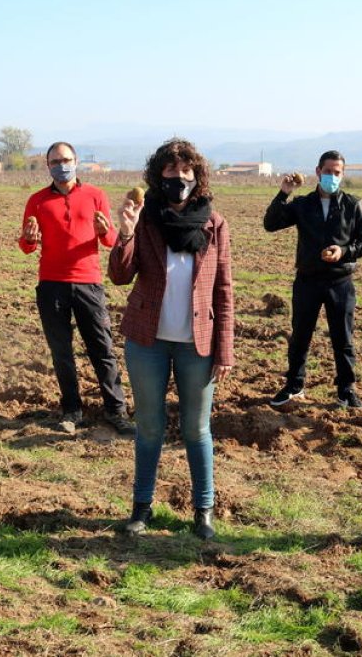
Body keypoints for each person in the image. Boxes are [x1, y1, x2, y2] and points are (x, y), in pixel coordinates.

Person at [108, 138, 234, 540]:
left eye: (185, 170)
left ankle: (204, 511)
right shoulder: (145, 219)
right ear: (157, 175)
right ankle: (141, 509)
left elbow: (224, 291)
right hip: (148, 341)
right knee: (149, 427)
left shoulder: (214, 224)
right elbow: (119, 276)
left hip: (198, 343)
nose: (177, 177)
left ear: (196, 177)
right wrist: (124, 235)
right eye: (169, 170)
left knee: (197, 430)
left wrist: (225, 350)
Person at [19, 142, 135, 434]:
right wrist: (30, 238)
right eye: (55, 161)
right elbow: (26, 247)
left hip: (88, 283)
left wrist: (103, 230)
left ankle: (116, 410)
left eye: (66, 159)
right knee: (62, 352)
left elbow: (109, 241)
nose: (61, 165)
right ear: (48, 166)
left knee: (102, 349)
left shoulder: (96, 195)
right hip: (51, 285)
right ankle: (71, 410)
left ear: (76, 161)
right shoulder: (37, 201)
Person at [264, 151, 362, 409]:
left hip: (341, 282)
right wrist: (284, 193)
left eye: (337, 173)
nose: (332, 177)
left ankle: (346, 390)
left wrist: (344, 252)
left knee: (343, 338)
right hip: (308, 280)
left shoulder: (353, 204)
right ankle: (294, 384)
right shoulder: (303, 204)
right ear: (318, 171)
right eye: (328, 172)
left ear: (343, 174)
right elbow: (271, 224)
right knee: (300, 336)